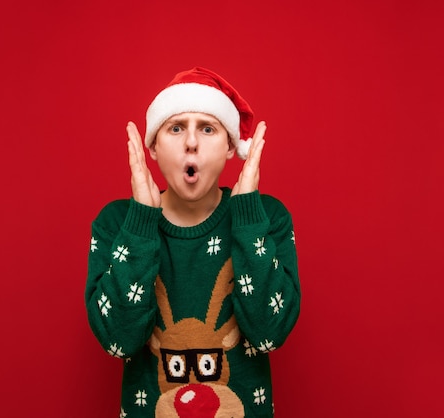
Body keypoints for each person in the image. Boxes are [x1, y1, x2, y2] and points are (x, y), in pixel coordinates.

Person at [85, 67, 300, 417]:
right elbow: (118, 341)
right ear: (153, 147)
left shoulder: (267, 218)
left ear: (231, 146)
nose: (191, 142)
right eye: (175, 127)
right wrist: (141, 223)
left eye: (207, 128)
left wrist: (246, 215)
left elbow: (268, 334)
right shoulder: (117, 224)